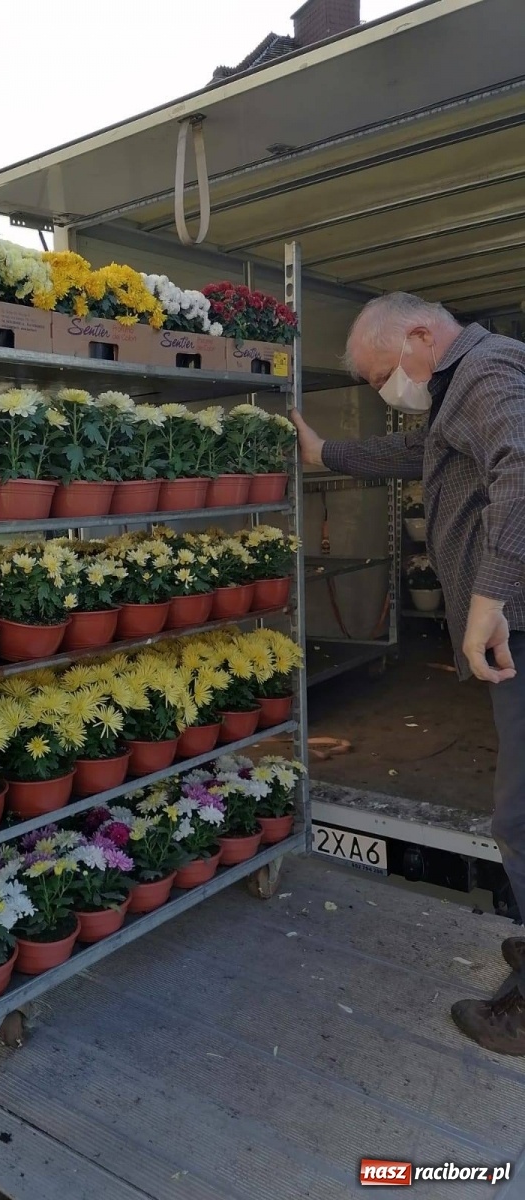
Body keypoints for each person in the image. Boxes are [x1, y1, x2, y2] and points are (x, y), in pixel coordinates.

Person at [291, 291, 525, 1055]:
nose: (383, 391)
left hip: (522, 630)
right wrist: (328, 453)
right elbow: (414, 455)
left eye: (380, 373)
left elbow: (523, 465)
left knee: (519, 820)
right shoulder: (458, 391)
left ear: (421, 334)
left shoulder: (488, 371)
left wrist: (489, 599)